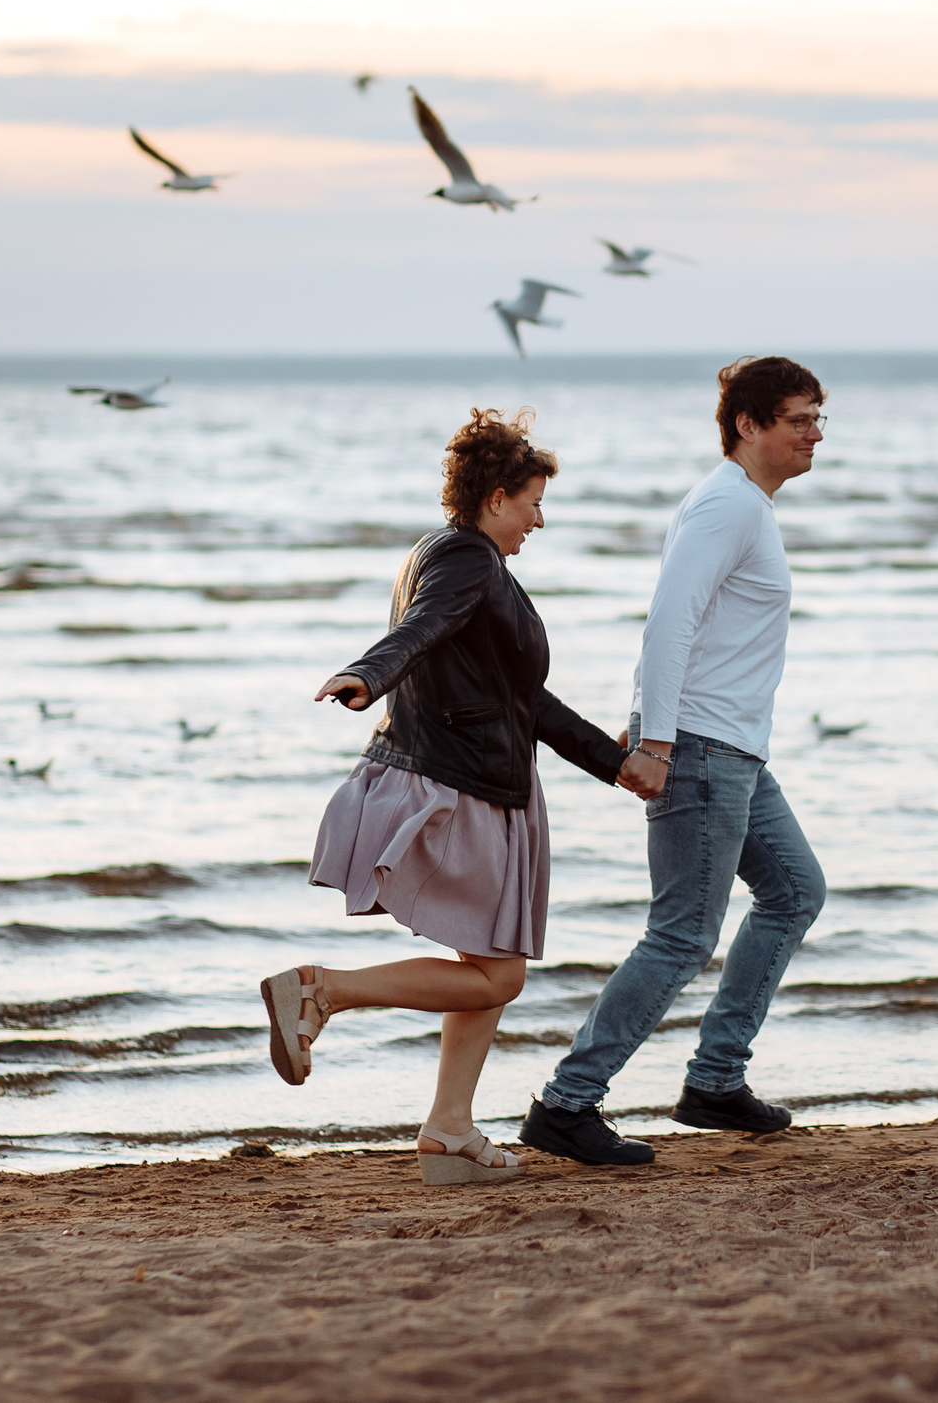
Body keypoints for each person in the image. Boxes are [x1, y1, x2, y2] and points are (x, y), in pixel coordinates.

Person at [262, 408, 660, 1184]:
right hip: (465, 785)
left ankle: (449, 1127)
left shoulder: (452, 556)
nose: (540, 521)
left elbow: (526, 700)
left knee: (486, 964)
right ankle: (322, 990)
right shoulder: (465, 562)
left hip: (474, 773)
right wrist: (366, 672)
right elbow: (419, 629)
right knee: (498, 974)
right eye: (534, 502)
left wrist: (614, 764)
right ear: (497, 497)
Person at [520, 356, 831, 1166]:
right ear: (749, 425)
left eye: (818, 418)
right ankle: (567, 1102)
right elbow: (669, 623)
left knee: (795, 890)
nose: (815, 434)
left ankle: (715, 1079)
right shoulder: (728, 505)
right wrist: (655, 740)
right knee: (684, 935)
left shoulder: (745, 508)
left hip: (733, 748)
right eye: (799, 419)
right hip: (697, 746)